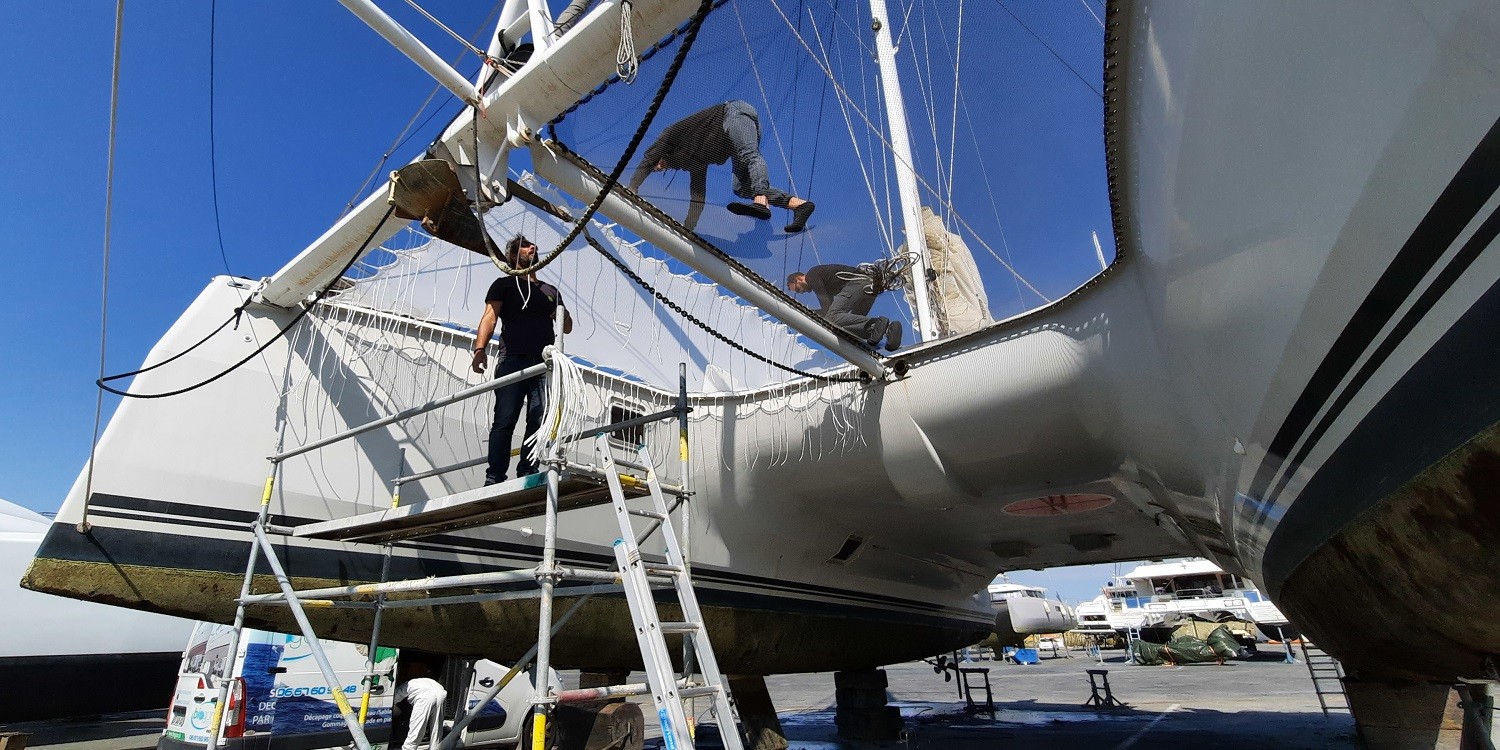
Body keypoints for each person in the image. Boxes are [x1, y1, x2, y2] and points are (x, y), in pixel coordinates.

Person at [471, 235, 573, 485]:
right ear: (514, 255)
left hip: (542, 365)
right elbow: (489, 317)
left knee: (538, 418)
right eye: (527, 246)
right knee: (505, 419)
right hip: (512, 360)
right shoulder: (503, 285)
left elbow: (567, 327)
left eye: (534, 246)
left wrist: (561, 311)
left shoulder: (550, 291)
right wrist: (479, 349)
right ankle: (494, 477)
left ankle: (527, 470)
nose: (533, 248)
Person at [628, 100, 816, 233]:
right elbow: (698, 196)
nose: (658, 167)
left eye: (657, 164)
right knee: (741, 187)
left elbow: (649, 157)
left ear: (661, 155)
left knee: (750, 154)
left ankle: (761, 201)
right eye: (658, 169)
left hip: (733, 114)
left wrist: (633, 187)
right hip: (731, 138)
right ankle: (799, 206)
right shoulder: (695, 163)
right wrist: (688, 228)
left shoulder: (672, 137)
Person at [786, 264, 902, 351]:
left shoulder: (811, 276)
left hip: (856, 284)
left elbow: (827, 309)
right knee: (852, 328)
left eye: (797, 289)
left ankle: (879, 323)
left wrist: (807, 312)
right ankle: (889, 330)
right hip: (869, 287)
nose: (801, 292)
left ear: (798, 279)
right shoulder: (821, 278)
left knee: (831, 319)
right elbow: (830, 305)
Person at [394, 661, 447, 750]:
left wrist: (395, 710)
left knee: (417, 729)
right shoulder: (420, 681)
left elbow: (394, 699)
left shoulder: (406, 684)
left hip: (425, 697)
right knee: (436, 729)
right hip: (441, 692)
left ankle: (408, 748)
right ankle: (435, 747)